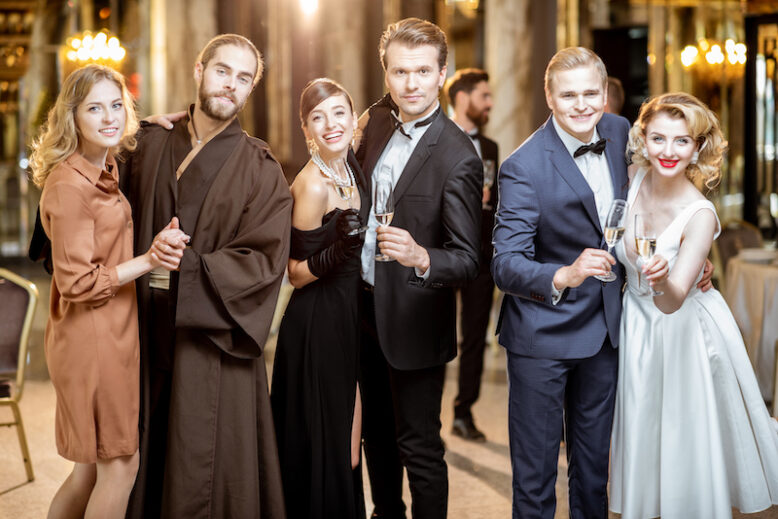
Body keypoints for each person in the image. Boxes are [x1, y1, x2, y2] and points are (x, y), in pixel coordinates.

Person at [492, 47, 715, 518]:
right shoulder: (522, 166)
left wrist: (685, 259)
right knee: (535, 480)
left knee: (594, 474)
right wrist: (564, 273)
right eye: (567, 94)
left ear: (605, 92)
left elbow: (660, 198)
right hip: (541, 340)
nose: (581, 105)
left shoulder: (619, 133)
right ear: (549, 97)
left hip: (609, 335)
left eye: (590, 92)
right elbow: (505, 264)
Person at [121, 34, 292, 518]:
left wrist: (188, 267)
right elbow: (95, 204)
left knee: (206, 464)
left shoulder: (262, 169)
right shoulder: (147, 143)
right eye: (222, 71)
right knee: (133, 460)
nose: (230, 85)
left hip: (212, 336)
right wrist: (124, 129)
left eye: (243, 79)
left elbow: (265, 261)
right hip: (139, 327)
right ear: (199, 71)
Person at [610, 92, 778, 519]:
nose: (668, 152)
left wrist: (663, 278)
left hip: (682, 330)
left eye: (682, 141)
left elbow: (672, 300)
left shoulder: (699, 214)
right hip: (634, 325)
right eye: (659, 139)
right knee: (642, 432)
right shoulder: (629, 179)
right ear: (642, 139)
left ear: (698, 147)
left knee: (684, 435)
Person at [31, 64, 187, 518]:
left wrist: (162, 124)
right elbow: (76, 282)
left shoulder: (104, 166)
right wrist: (151, 259)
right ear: (71, 118)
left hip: (109, 332)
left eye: (116, 106)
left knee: (88, 470)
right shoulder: (68, 186)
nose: (108, 117)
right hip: (91, 338)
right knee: (120, 465)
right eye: (94, 108)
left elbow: (123, 136)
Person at [355, 17, 483, 519]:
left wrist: (422, 256)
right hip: (360, 309)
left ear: (442, 73)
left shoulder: (458, 156)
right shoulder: (377, 120)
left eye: (423, 71)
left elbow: (470, 260)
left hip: (414, 321)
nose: (411, 84)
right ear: (386, 73)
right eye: (400, 71)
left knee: (420, 448)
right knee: (375, 439)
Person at [270, 78, 367, 518]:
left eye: (339, 113)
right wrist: (338, 252)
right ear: (306, 129)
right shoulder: (311, 185)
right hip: (316, 326)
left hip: (349, 317)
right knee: (328, 441)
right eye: (318, 117)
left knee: (348, 442)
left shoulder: (350, 167)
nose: (331, 124)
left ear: (353, 117)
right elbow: (294, 274)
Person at [444, 67, 498, 442]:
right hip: (442, 256)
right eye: (484, 96)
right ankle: (427, 412)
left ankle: (464, 411)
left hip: (481, 257)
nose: (490, 103)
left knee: (475, 338)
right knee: (434, 334)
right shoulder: (438, 139)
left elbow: (494, 202)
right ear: (463, 99)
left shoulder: (491, 148)